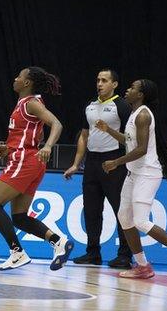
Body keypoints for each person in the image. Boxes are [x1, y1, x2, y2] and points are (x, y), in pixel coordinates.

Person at [0, 67, 74, 271]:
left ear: (27, 83)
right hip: (29, 160)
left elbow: (57, 124)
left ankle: (17, 253)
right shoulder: (25, 104)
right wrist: (8, 148)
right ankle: (58, 242)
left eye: (19, 76)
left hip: (24, 161)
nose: (15, 78)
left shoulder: (31, 103)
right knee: (19, 217)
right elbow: (33, 135)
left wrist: (49, 146)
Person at [95, 79, 167, 279]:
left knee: (141, 221)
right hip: (134, 173)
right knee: (124, 218)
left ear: (141, 94)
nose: (128, 89)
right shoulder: (135, 114)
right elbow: (128, 141)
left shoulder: (143, 115)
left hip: (147, 173)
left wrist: (116, 162)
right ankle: (143, 266)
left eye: (132, 88)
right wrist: (108, 130)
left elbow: (141, 150)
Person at [63, 69, 133, 268]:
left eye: (104, 80)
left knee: (121, 210)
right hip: (92, 163)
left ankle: (125, 255)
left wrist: (123, 161)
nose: (99, 84)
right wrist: (76, 164)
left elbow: (130, 138)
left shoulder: (122, 106)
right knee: (92, 210)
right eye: (98, 80)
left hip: (114, 161)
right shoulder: (90, 106)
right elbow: (84, 136)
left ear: (115, 84)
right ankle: (92, 253)